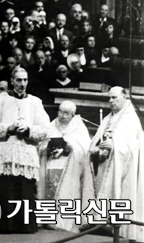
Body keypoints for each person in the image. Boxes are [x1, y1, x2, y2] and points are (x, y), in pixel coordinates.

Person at [0, 67, 49, 233]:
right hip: (3, 152)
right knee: (3, 189)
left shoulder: (35, 102)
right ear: (12, 81)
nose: (22, 84)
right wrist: (9, 129)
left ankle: (23, 226)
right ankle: (2, 226)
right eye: (19, 80)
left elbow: (45, 129)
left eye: (25, 80)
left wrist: (27, 131)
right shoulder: (0, 100)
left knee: (24, 191)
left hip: (24, 152)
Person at [81, 86, 144, 242]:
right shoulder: (108, 118)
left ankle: (114, 224)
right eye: (109, 98)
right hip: (105, 162)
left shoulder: (130, 117)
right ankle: (101, 221)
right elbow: (98, 138)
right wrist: (95, 148)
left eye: (114, 97)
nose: (110, 101)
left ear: (125, 97)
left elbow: (132, 147)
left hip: (122, 166)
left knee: (117, 191)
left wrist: (115, 146)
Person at [38, 101, 90, 232]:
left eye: (66, 113)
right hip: (51, 164)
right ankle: (48, 220)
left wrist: (70, 147)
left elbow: (85, 148)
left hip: (69, 166)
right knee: (49, 191)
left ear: (73, 114)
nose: (62, 116)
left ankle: (64, 222)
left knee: (66, 194)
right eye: (60, 112)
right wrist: (47, 148)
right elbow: (41, 144)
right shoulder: (51, 125)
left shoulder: (79, 127)